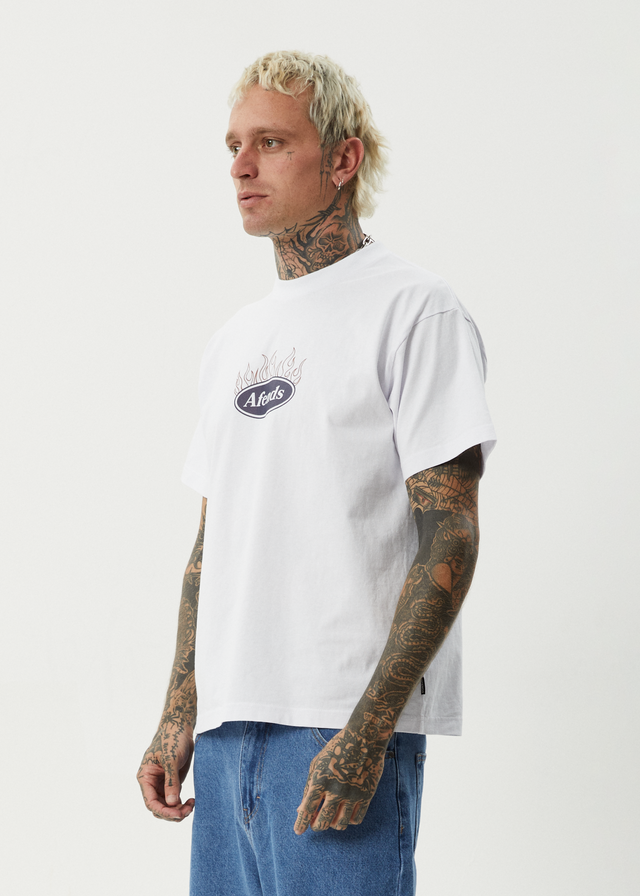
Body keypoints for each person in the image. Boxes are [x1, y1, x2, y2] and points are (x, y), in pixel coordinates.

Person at [137, 50, 496, 896]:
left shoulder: (415, 310)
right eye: (233, 145)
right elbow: (211, 545)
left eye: (271, 142)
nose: (241, 166)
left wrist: (370, 730)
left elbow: (450, 530)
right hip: (227, 732)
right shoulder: (233, 341)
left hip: (338, 725)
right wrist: (180, 709)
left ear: (343, 159)